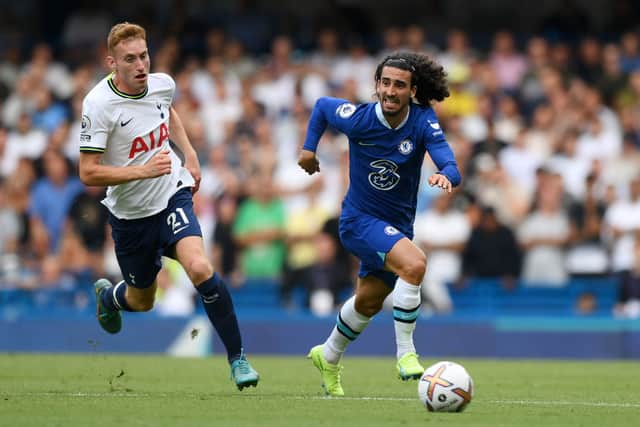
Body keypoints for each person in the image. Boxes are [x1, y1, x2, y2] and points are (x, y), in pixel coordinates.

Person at [77, 22, 258, 390]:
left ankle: (238, 359)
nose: (141, 65)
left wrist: (189, 155)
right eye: (130, 59)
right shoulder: (98, 105)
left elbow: (168, 112)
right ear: (112, 62)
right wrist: (142, 170)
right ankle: (110, 297)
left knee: (201, 267)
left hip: (171, 193)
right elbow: (88, 172)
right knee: (143, 301)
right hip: (130, 217)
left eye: (144, 55)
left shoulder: (162, 84)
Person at [298, 52, 461, 396]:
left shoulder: (421, 120)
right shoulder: (359, 119)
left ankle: (327, 356)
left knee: (368, 302)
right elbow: (323, 106)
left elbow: (450, 163)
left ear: (413, 90)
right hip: (358, 222)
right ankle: (406, 354)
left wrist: (446, 174)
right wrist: (308, 149)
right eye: (384, 82)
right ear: (376, 85)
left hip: (396, 228)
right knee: (415, 264)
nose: (390, 91)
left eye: (399, 85)